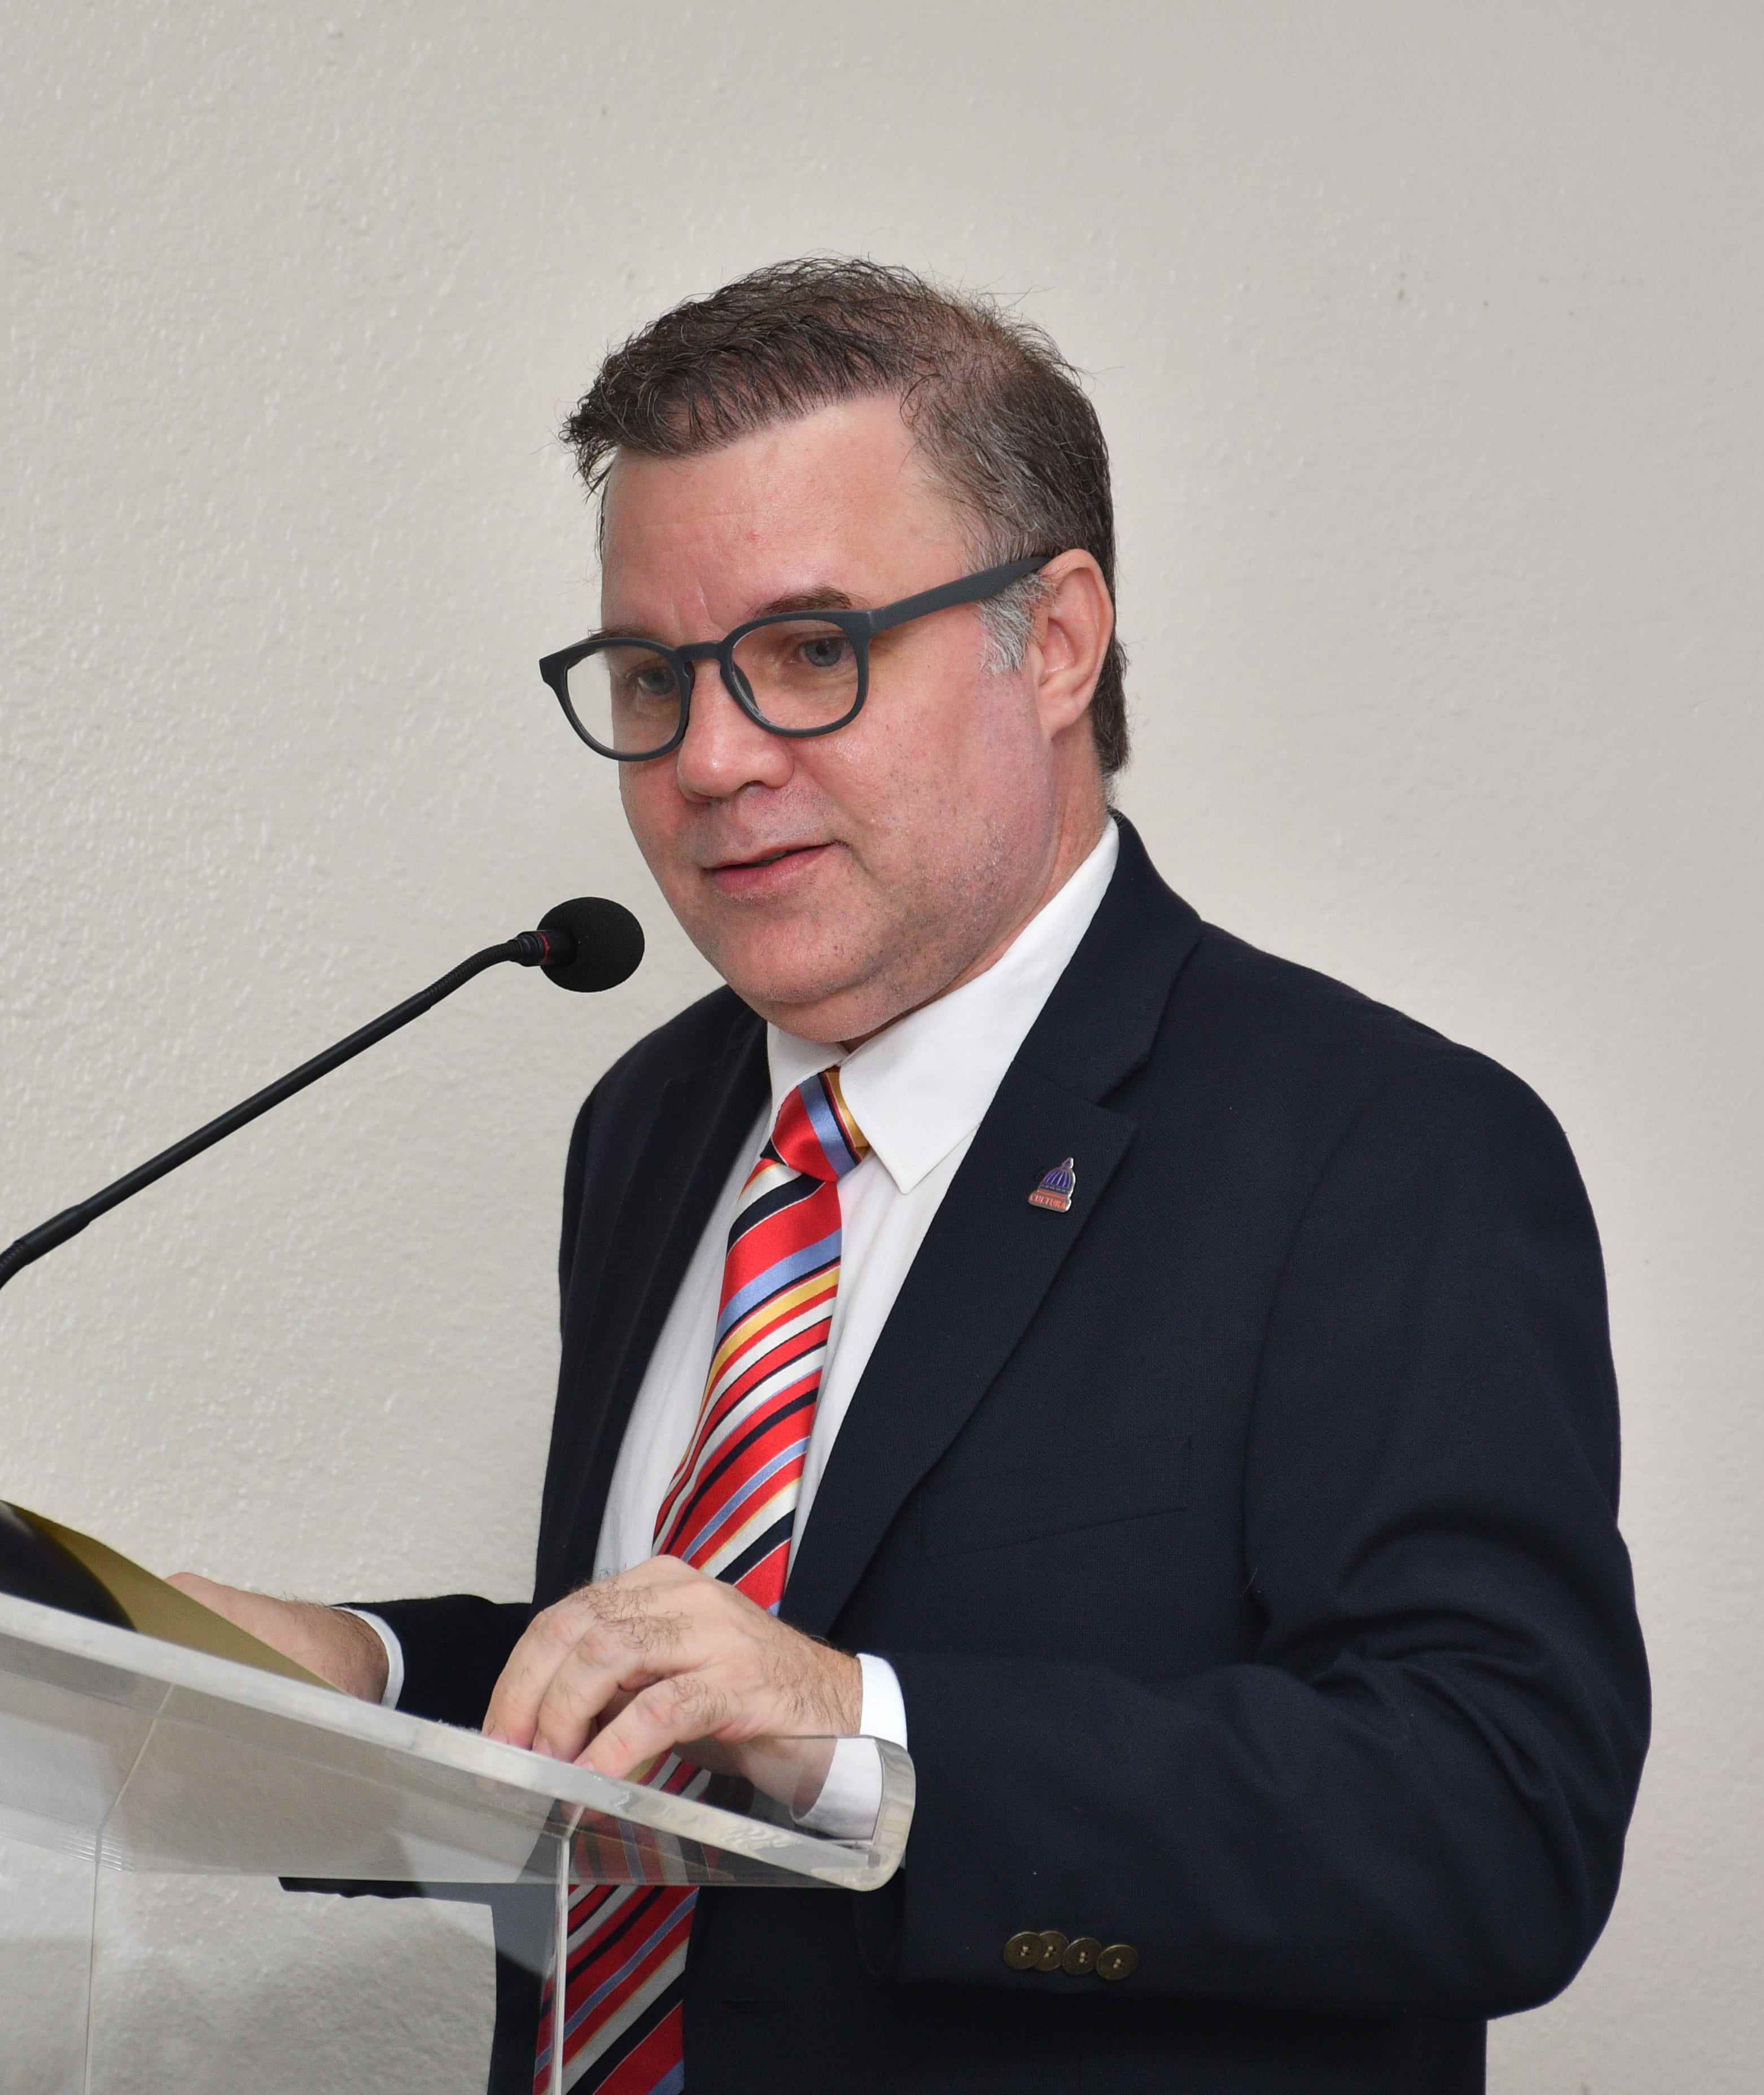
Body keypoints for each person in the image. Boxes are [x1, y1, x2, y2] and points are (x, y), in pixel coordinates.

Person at [174, 258, 1650, 2094]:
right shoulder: (656, 1119)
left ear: (1054, 641)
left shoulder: (1383, 1145)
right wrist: (357, 1674)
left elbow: (1490, 1823)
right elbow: (683, 1711)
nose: (710, 760)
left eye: (810, 653)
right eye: (652, 675)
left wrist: (856, 1723)